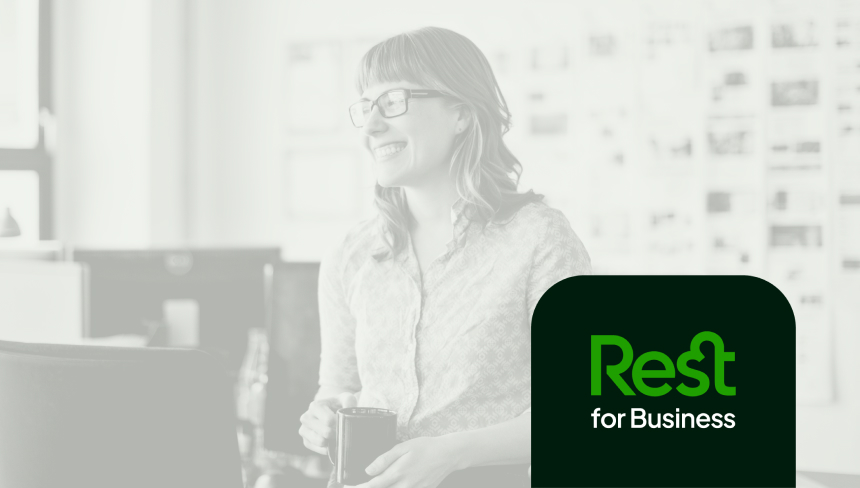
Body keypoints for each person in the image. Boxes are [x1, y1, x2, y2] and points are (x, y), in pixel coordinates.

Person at [298, 26, 591, 488]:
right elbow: (337, 388)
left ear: (461, 113)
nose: (372, 126)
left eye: (394, 101)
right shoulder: (351, 255)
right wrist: (325, 417)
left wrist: (451, 454)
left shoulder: (538, 238)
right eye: (366, 107)